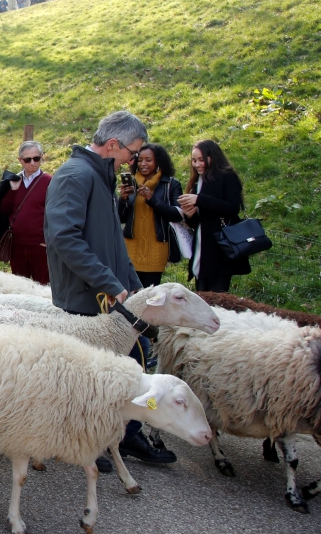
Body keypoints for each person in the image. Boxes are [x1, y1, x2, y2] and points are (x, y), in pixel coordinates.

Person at [45, 110, 175, 468]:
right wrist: (110, 284)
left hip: (111, 296)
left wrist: (133, 288)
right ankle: (86, 442)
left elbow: (112, 243)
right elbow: (64, 238)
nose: (134, 161)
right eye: (132, 153)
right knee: (93, 378)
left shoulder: (100, 176)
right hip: (89, 299)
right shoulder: (76, 175)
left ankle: (124, 437)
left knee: (130, 367)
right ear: (113, 144)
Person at [179, 140, 249, 292]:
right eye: (194, 160)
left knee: (218, 296)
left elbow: (232, 207)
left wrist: (199, 199)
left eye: (201, 160)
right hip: (201, 246)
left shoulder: (228, 177)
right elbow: (201, 218)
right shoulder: (197, 181)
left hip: (220, 248)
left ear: (213, 156)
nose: (197, 164)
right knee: (202, 295)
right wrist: (190, 215)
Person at [118, 143, 184, 287]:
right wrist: (123, 199)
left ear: (158, 161)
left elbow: (177, 215)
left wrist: (152, 199)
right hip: (131, 249)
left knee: (149, 294)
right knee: (131, 295)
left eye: (148, 160)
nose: (143, 164)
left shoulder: (171, 184)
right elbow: (120, 218)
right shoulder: (132, 183)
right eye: (140, 160)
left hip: (156, 249)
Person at [0, 141, 52, 284]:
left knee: (43, 286)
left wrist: (46, 240)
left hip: (39, 246)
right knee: (19, 286)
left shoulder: (49, 181)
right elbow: (3, 209)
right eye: (28, 159)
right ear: (20, 160)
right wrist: (13, 191)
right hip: (17, 244)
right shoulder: (14, 180)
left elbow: (54, 213)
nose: (32, 163)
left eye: (37, 158)